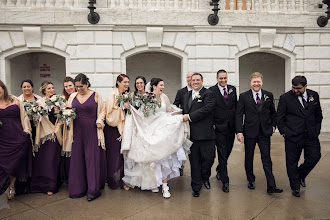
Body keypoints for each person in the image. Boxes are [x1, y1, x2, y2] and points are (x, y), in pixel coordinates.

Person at [121, 78, 191, 198]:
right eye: (161, 85)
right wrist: (129, 108)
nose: (163, 87)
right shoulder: (148, 98)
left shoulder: (164, 97)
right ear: (154, 86)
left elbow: (169, 111)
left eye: (163, 85)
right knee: (154, 160)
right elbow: (143, 115)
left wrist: (177, 116)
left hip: (163, 131)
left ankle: (165, 186)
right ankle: (155, 183)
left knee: (164, 158)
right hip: (152, 130)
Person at [235, 72, 283, 195]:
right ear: (250, 82)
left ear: (262, 82)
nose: (256, 84)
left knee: (266, 158)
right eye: (254, 82)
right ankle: (250, 179)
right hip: (249, 132)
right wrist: (239, 132)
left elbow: (273, 112)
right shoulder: (243, 96)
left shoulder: (269, 95)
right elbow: (239, 115)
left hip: (264, 132)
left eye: (258, 81)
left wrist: (273, 125)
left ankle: (271, 185)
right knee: (249, 157)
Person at [62, 74, 106, 201]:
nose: (78, 89)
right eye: (76, 87)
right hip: (76, 131)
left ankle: (93, 190)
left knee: (91, 158)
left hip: (91, 130)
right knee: (77, 159)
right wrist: (66, 114)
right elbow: (68, 110)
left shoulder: (96, 95)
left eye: (81, 86)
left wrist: (99, 120)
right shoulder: (72, 96)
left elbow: (102, 110)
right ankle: (77, 189)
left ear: (87, 83)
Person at [277, 76, 322, 197]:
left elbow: (318, 115)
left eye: (298, 88)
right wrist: (284, 131)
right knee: (291, 162)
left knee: (314, 157)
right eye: (293, 87)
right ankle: (295, 186)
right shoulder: (285, 98)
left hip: (311, 135)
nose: (295, 90)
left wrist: (317, 130)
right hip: (292, 135)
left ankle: (300, 175)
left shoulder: (314, 95)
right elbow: (279, 118)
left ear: (305, 86)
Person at [182, 73, 216, 197]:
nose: (195, 82)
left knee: (209, 159)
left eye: (197, 80)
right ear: (190, 82)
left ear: (202, 81)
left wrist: (189, 117)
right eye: (193, 80)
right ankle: (196, 187)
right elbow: (184, 110)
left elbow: (207, 109)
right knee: (194, 161)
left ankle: (205, 177)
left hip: (207, 134)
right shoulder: (186, 95)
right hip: (192, 135)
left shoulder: (209, 94)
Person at [0, 80, 32, 200]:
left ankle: (12, 186)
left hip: (17, 137)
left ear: (3, 88)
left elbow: (23, 116)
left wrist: (26, 132)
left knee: (15, 163)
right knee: (3, 163)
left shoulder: (14, 100)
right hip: (2, 140)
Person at [30, 81, 62, 196]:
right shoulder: (39, 102)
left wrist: (57, 128)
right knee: (43, 160)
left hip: (54, 133)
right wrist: (36, 115)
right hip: (43, 134)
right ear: (44, 90)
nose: (52, 90)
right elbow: (35, 120)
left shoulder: (58, 101)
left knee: (52, 160)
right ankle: (40, 185)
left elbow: (61, 117)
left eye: (53, 88)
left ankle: (51, 185)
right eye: (49, 88)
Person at [209, 69, 237, 193]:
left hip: (231, 127)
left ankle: (220, 169)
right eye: (221, 78)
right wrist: (213, 124)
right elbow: (209, 109)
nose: (223, 80)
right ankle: (225, 181)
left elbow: (234, 108)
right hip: (219, 128)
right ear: (217, 79)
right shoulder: (211, 91)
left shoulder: (232, 89)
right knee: (222, 153)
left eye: (225, 78)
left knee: (228, 151)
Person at [104, 74, 130, 190]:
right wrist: (122, 107)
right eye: (124, 82)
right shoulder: (112, 95)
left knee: (121, 156)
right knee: (114, 156)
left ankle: (121, 179)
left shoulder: (124, 95)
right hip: (113, 129)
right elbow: (109, 113)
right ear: (118, 82)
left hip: (123, 127)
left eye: (128, 82)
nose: (127, 84)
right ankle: (113, 181)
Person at [173, 72, 194, 176]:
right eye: (188, 77)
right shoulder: (181, 92)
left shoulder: (200, 92)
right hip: (184, 123)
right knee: (183, 145)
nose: (190, 79)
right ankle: (181, 165)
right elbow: (175, 105)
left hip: (196, 123)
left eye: (191, 77)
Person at [59, 76, 76, 184]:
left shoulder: (78, 96)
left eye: (70, 85)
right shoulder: (62, 98)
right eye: (66, 86)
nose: (68, 88)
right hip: (67, 127)